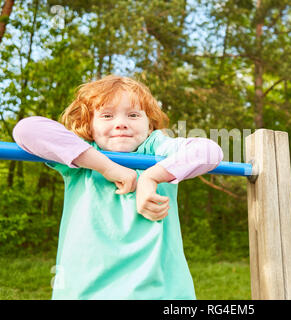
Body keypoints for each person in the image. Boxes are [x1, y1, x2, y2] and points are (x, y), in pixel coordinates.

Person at [12, 75, 223, 299]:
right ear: (89, 125)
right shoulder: (81, 157)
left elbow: (210, 151)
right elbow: (26, 129)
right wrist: (107, 168)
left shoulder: (157, 150)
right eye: (107, 115)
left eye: (133, 115)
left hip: (162, 294)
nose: (121, 123)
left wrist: (150, 178)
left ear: (149, 124)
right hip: (86, 293)